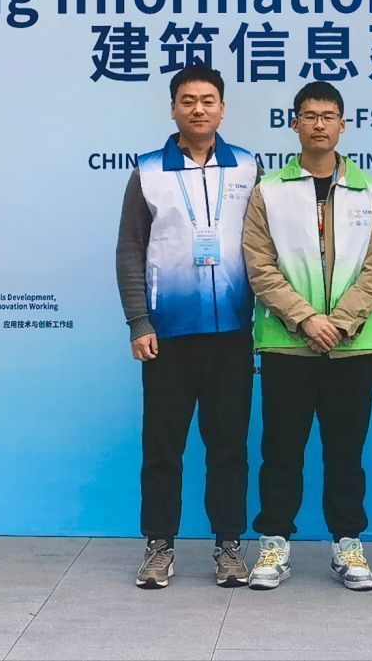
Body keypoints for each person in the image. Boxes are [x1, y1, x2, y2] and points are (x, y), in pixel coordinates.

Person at [240, 81, 372, 592]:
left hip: (353, 345)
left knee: (345, 452)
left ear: (343, 125)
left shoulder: (370, 191)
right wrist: (306, 318)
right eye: (309, 116)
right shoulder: (269, 191)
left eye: (329, 116)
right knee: (281, 449)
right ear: (295, 124)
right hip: (288, 343)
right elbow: (260, 266)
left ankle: (347, 543)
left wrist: (341, 322)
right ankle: (274, 542)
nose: (319, 124)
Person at [115, 64, 260, 589]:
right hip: (168, 335)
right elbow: (130, 249)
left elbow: (264, 247)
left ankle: (229, 546)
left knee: (229, 447)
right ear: (173, 108)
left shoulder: (247, 166)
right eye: (188, 100)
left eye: (208, 100)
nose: (198, 109)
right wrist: (139, 321)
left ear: (222, 108)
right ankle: (159, 546)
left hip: (232, 334)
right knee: (163, 446)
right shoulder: (149, 170)